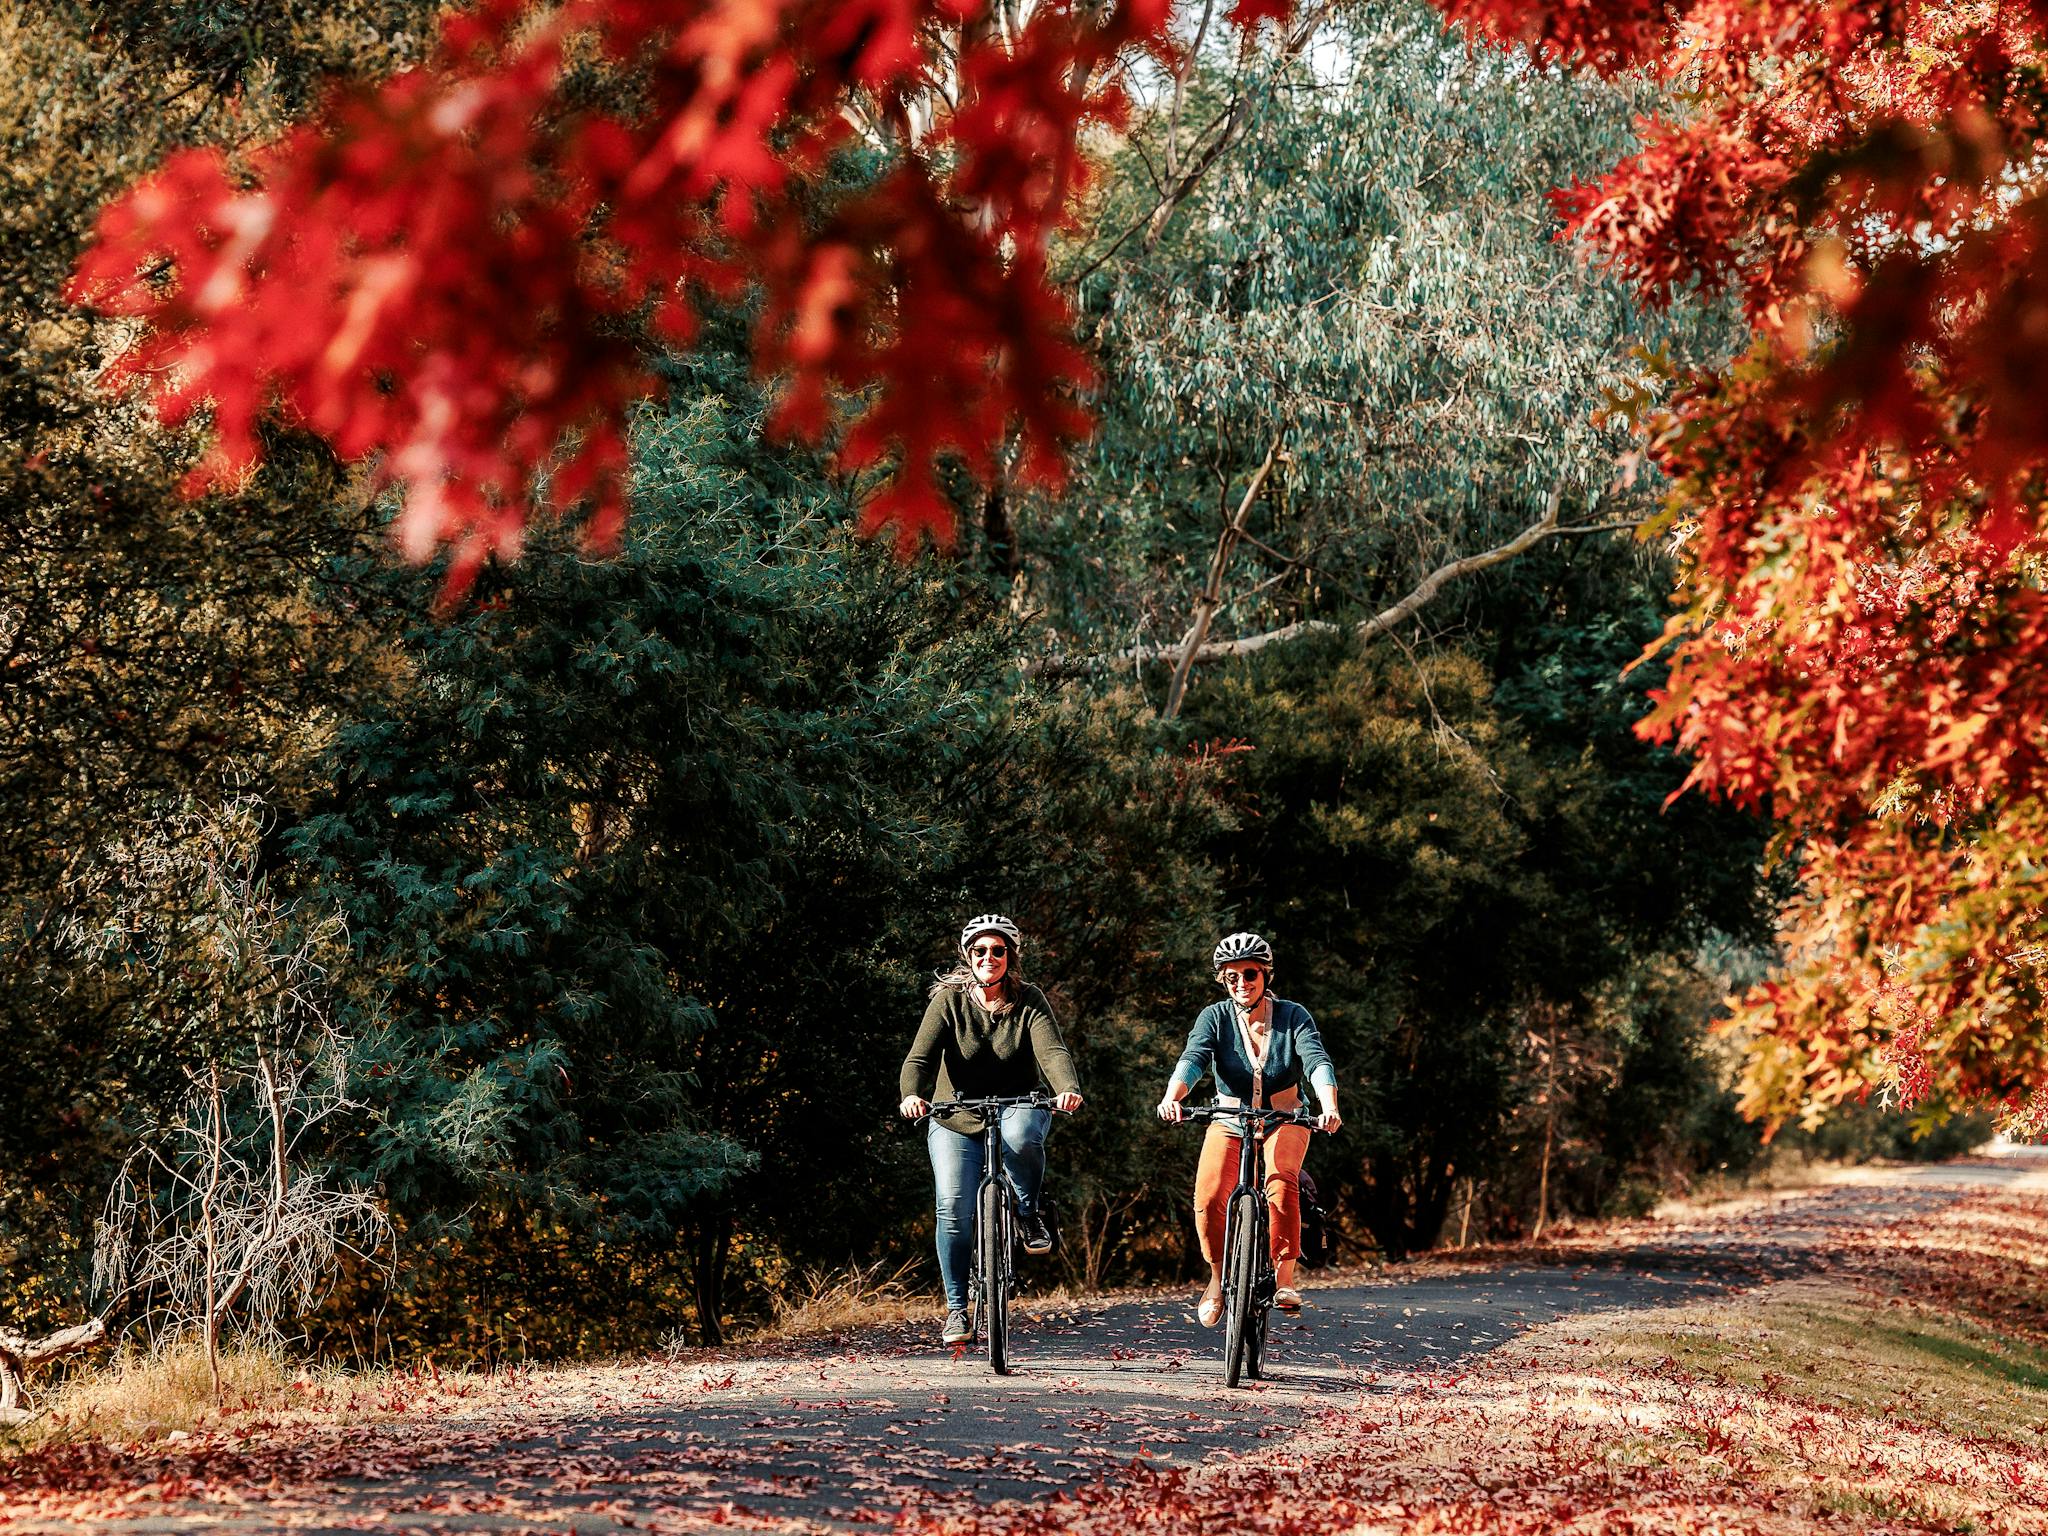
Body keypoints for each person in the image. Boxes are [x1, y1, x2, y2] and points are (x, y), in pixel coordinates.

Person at [900, 914, 1084, 1345]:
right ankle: (958, 1309)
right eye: (980, 950)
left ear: (1009, 956)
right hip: (954, 1115)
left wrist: (1067, 1088)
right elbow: (919, 1059)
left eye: (998, 950)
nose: (989, 957)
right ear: (969, 956)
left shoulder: (1029, 999)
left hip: (1018, 1105)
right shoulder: (949, 1000)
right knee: (952, 1209)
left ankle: (1027, 1210)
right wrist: (912, 1094)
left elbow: (1052, 1051)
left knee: (1021, 1137)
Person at [1157, 932, 1341, 1322]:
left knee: (1280, 1180)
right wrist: (1173, 1096)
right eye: (1232, 976)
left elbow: (1316, 1060)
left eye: (1250, 973)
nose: (1242, 983)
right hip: (1229, 1120)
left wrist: (1329, 1106)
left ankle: (1284, 1278)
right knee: (1209, 1196)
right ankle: (1217, 1278)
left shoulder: (1294, 1016)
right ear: (1223, 980)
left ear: (1266, 975)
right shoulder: (1215, 1017)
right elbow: (1194, 1058)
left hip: (1285, 1117)